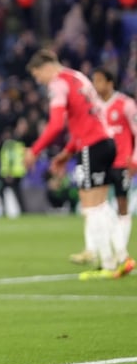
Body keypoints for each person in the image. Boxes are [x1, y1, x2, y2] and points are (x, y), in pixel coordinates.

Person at [24, 50, 132, 280]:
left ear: (46, 67)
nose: (38, 80)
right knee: (101, 205)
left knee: (91, 207)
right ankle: (119, 258)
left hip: (91, 146)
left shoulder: (58, 84)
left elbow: (55, 125)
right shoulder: (79, 77)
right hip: (106, 142)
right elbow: (91, 116)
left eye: (36, 75)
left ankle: (110, 263)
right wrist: (66, 153)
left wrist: (34, 151)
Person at [63, 67, 135, 270]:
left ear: (110, 83)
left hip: (121, 161)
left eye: (99, 81)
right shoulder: (93, 106)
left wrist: (135, 159)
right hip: (99, 159)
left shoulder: (126, 105)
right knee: (95, 203)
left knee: (120, 205)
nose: (95, 85)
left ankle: (120, 253)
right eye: (93, 81)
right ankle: (97, 251)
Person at [0, 135, 28, 216]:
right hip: (16, 173)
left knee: (12, 193)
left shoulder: (9, 147)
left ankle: (6, 210)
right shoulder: (19, 146)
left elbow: (10, 160)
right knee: (17, 194)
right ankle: (22, 211)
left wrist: (9, 173)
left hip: (12, 174)